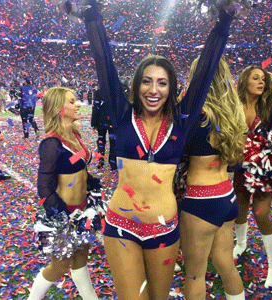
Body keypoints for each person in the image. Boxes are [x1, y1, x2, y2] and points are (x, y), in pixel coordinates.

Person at [77, 0, 236, 298]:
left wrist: (224, 22)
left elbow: (206, 70)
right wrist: (91, 15)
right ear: (136, 85)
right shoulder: (122, 113)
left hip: (163, 229)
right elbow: (104, 62)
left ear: (172, 88)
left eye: (162, 83)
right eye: (147, 82)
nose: (153, 90)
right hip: (121, 224)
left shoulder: (182, 119)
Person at [179, 57, 246, 300]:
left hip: (201, 201)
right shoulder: (233, 112)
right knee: (225, 263)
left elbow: (175, 156)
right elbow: (235, 163)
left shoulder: (195, 115)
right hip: (227, 196)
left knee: (195, 275)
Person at [27, 87, 102, 300]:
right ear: (60, 109)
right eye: (72, 101)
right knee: (59, 266)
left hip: (82, 211)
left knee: (81, 259)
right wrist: (62, 216)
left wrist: (91, 182)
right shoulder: (52, 143)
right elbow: (44, 188)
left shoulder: (74, 134)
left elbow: (78, 167)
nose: (78, 104)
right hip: (62, 215)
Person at [232, 66, 272, 288]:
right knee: (240, 207)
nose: (261, 82)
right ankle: (241, 243)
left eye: (263, 79)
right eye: (256, 78)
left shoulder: (271, 108)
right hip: (240, 167)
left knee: (261, 215)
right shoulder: (233, 106)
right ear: (245, 82)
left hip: (265, 169)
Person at [91, 84, 117, 170]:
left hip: (101, 121)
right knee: (113, 142)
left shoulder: (98, 92)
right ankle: (113, 162)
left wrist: (93, 123)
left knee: (101, 139)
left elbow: (95, 108)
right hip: (113, 121)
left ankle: (101, 159)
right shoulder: (117, 91)